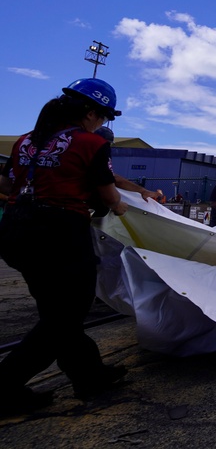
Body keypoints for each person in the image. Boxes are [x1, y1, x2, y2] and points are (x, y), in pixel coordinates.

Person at [0, 78, 130, 415]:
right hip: (59, 234)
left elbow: (6, 183)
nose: (103, 124)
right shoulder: (90, 143)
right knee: (64, 317)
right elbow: (108, 194)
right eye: (103, 117)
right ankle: (4, 385)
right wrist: (120, 207)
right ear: (90, 112)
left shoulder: (26, 141)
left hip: (16, 232)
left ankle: (90, 376)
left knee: (57, 313)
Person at [93, 126, 163, 205]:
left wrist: (143, 191)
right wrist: (116, 205)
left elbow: (111, 178)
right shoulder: (96, 154)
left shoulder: (91, 152)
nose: (107, 147)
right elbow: (111, 179)